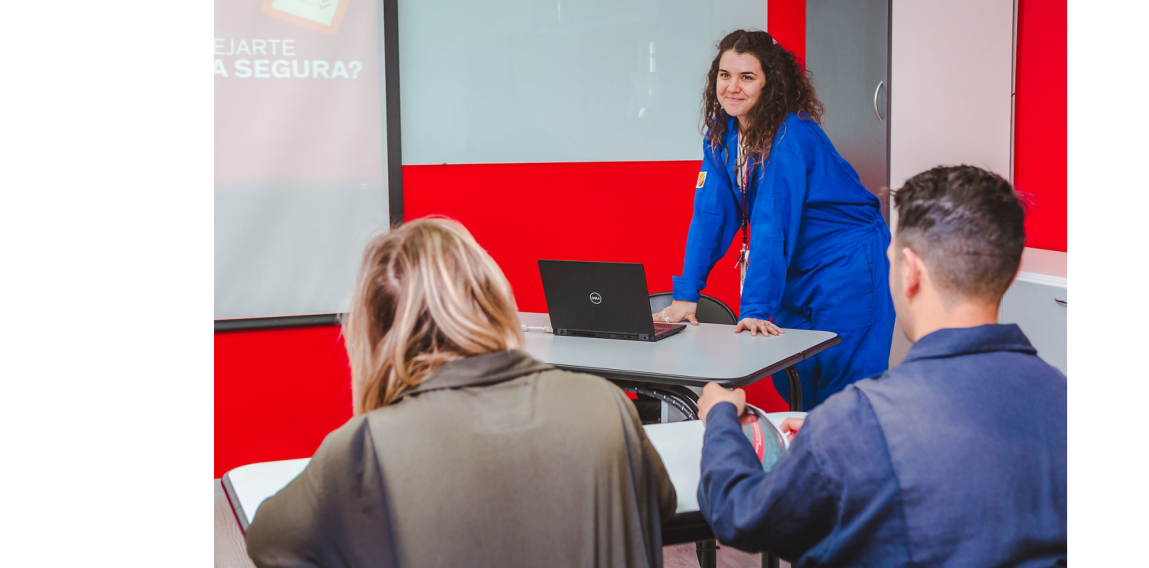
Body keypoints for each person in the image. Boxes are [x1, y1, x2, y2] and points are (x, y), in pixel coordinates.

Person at [245, 217, 676, 567]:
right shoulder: (602, 403)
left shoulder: (361, 452)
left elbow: (268, 543)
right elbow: (661, 505)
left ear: (375, 331)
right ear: (495, 302)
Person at [694, 166, 1068, 566]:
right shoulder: (1063, 397)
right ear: (1010, 271)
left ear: (910, 271)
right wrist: (829, 436)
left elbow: (743, 517)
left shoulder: (858, 420)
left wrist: (721, 419)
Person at [654, 29, 895, 411]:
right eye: (725, 75)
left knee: (846, 388)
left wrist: (754, 309)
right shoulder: (722, 134)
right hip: (794, 264)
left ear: (770, 83)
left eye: (747, 77)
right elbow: (710, 216)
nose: (732, 87)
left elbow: (770, 225)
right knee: (797, 378)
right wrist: (686, 294)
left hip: (846, 265)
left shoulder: (787, 137)